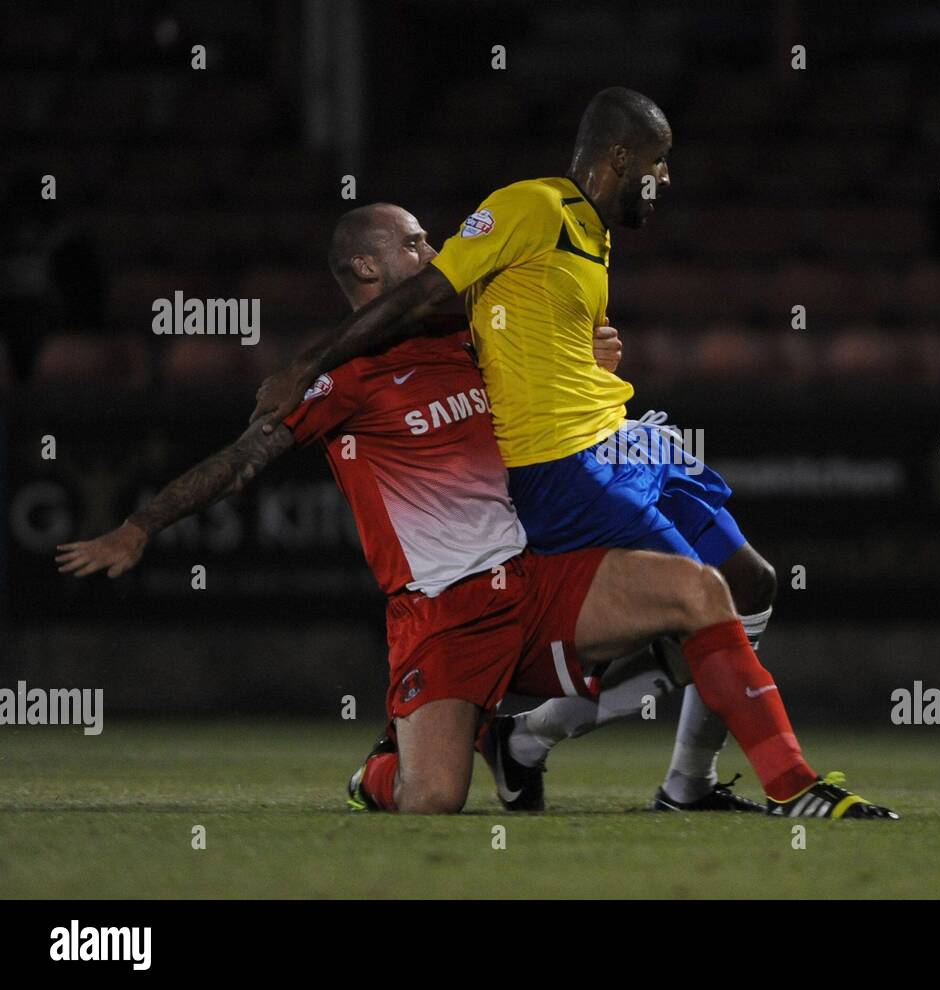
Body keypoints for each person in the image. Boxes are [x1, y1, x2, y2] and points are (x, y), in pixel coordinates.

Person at [57, 204, 897, 821]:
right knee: (433, 803)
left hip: (534, 583)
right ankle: (384, 767)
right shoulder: (342, 385)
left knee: (702, 591)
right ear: (365, 274)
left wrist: (588, 359)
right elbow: (238, 465)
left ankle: (792, 786)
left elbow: (554, 384)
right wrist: (138, 529)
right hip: (442, 618)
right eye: (417, 244)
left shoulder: (476, 342)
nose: (437, 253)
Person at [250, 88, 789, 814]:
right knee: (689, 611)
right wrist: (305, 365)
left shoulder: (585, 238)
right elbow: (422, 308)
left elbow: (516, 342)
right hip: (519, 510)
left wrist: (588, 359)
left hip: (607, 446)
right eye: (658, 165)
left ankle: (550, 749)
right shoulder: (519, 218)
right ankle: (497, 748)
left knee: (742, 585)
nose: (432, 249)